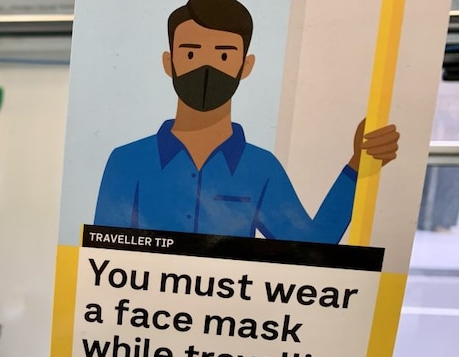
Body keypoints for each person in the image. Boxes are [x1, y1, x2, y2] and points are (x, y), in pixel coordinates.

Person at [94, 0, 401, 244]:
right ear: (169, 62)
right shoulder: (127, 162)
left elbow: (309, 246)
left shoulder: (260, 168)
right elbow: (102, 261)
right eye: (191, 54)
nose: (205, 67)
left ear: (246, 66)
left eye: (223, 57)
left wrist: (359, 167)